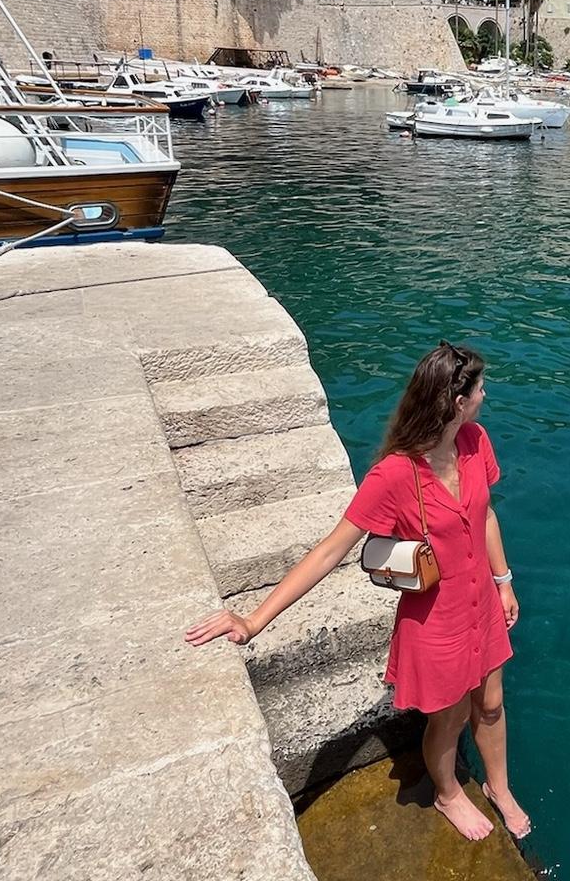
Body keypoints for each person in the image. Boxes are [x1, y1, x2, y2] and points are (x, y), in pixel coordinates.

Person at [185, 340, 528, 843]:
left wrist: (504, 581)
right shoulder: (394, 474)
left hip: (482, 605)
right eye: (479, 387)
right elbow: (330, 551)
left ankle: (499, 788)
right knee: (451, 717)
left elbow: (487, 515)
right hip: (436, 619)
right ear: (457, 401)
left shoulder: (475, 442)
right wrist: (253, 620)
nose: (484, 393)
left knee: (493, 703)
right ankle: (448, 793)